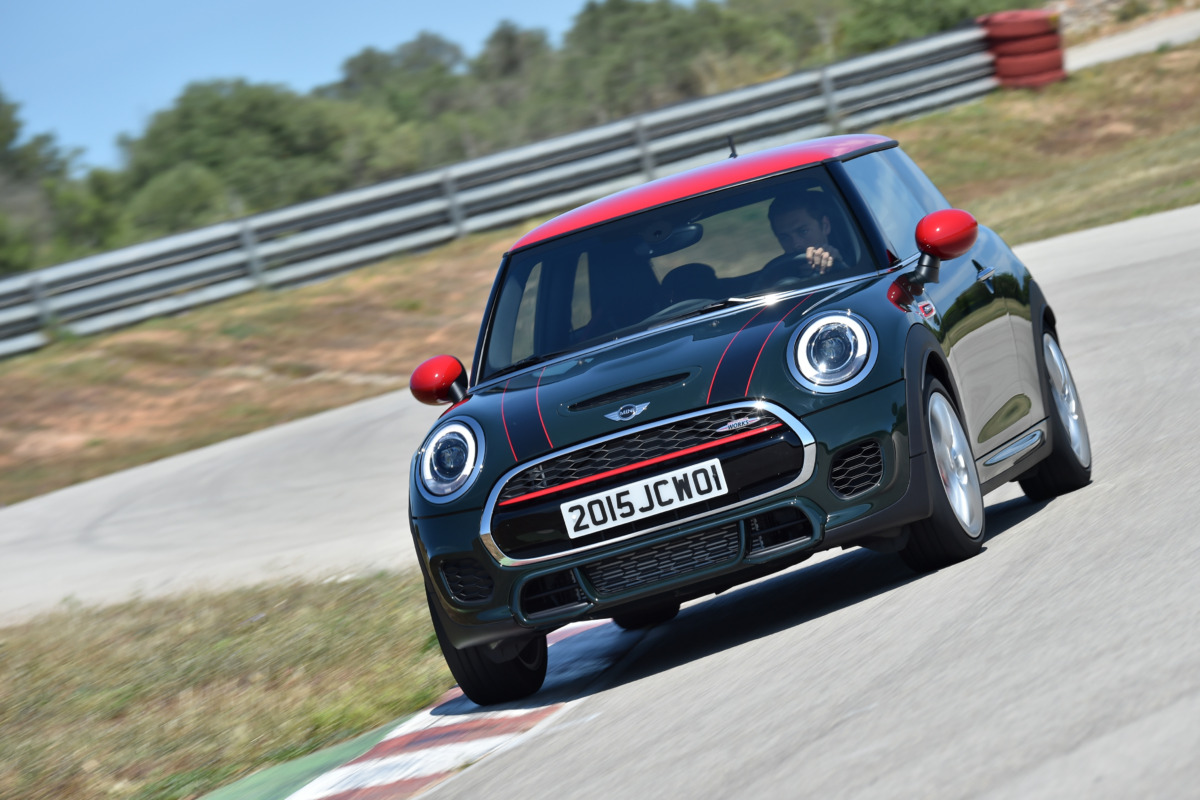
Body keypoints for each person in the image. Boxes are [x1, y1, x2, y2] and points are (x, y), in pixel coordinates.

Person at [761, 191, 847, 281]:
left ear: (825, 226)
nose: (796, 245)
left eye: (803, 231)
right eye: (784, 237)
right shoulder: (774, 275)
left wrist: (838, 266)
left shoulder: (853, 261)